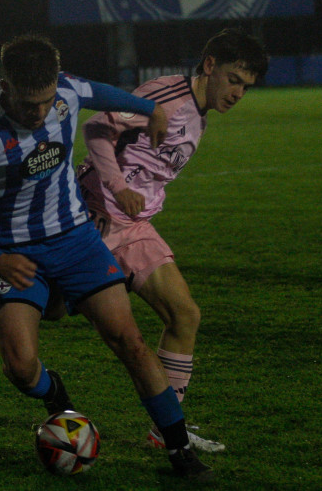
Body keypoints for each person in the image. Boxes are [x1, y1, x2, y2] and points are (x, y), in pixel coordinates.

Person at [0, 33, 213, 480]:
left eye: (46, 102)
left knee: (130, 340)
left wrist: (150, 108)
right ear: (5, 87)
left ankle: (179, 449)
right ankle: (53, 392)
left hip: (76, 238)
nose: (40, 112)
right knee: (21, 368)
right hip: (14, 252)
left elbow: (99, 91)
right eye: (29, 105)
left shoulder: (65, 90)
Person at [76, 28, 268, 453]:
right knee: (47, 310)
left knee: (185, 316)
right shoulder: (167, 98)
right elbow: (94, 126)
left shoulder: (199, 112)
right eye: (234, 79)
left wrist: (136, 198)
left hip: (136, 227)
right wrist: (118, 185)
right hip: (92, 217)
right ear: (210, 65)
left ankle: (167, 431)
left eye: (246, 87)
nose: (238, 93)